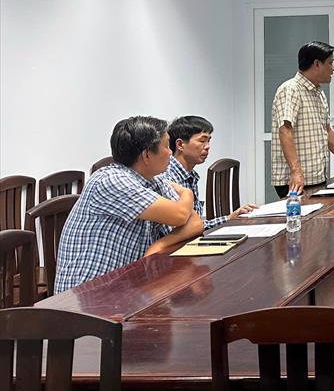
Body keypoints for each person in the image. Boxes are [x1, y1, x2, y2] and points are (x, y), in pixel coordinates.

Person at [54, 116, 204, 293]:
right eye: (166, 146)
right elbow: (180, 215)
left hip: (123, 286)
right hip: (87, 294)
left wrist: (160, 245)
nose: (170, 153)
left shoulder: (152, 180)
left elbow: (195, 223)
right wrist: (187, 193)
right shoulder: (112, 180)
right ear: (146, 155)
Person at [270, 41, 334, 198]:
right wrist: (296, 171)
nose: (333, 68)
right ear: (317, 64)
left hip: (315, 177)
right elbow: (285, 130)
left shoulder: (318, 93)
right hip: (295, 181)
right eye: (330, 63)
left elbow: (326, 130)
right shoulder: (290, 89)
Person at [163, 115, 257, 229]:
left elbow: (194, 226)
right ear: (180, 145)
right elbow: (181, 230)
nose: (207, 146)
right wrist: (227, 219)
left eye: (208, 141)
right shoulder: (168, 177)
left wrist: (229, 218)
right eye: (202, 141)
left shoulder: (190, 175)